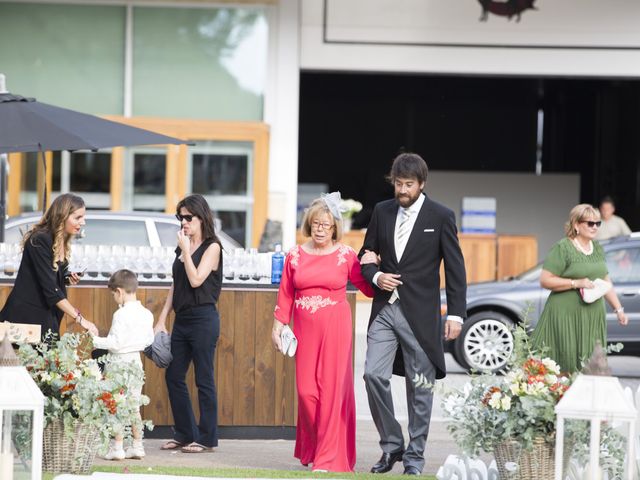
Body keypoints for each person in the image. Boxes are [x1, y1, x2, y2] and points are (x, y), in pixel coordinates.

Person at [358, 153, 467, 476]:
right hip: (385, 310)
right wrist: (376, 276)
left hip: (421, 315)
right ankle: (392, 445)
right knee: (373, 375)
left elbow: (456, 269)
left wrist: (456, 315)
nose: (402, 190)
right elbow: (367, 255)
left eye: (408, 184)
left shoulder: (442, 215)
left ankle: (415, 458)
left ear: (422, 184)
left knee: (420, 388)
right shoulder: (382, 211)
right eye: (398, 184)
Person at [271, 192, 375, 473]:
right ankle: (316, 447)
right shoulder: (295, 255)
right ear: (309, 224)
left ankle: (328, 457)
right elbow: (285, 294)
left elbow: (367, 288)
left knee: (330, 391)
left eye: (326, 225)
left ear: (335, 228)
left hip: (336, 330)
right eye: (316, 223)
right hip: (304, 331)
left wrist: (374, 267)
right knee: (306, 393)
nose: (320, 229)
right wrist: (278, 325)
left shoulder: (345, 255)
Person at [154, 194, 222, 453]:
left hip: (203, 318)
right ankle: (185, 433)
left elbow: (196, 280)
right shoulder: (184, 246)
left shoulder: (212, 247)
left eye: (188, 217)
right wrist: (162, 320)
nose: (183, 222)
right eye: (180, 217)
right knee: (173, 375)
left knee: (204, 378)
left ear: (201, 218)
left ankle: (206, 438)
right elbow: (177, 283)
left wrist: (185, 249)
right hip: (182, 319)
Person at [532, 204, 628, 372]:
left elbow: (605, 280)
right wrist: (576, 283)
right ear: (576, 225)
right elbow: (545, 280)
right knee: (563, 364)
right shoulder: (563, 248)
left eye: (598, 223)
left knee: (591, 364)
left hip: (592, 315)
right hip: (565, 314)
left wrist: (618, 309)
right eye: (590, 223)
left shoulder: (597, 248)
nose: (595, 227)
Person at [0, 193, 98, 338]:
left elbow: (49, 277)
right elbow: (50, 289)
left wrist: (66, 278)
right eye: (78, 217)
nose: (83, 222)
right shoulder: (40, 240)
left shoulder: (59, 241)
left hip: (45, 319)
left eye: (83, 217)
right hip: (24, 321)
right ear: (62, 216)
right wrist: (81, 319)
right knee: (18, 361)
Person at [88, 269, 154, 460]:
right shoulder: (147, 314)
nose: (114, 298)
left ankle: (117, 448)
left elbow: (114, 343)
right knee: (134, 406)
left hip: (118, 363)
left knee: (116, 405)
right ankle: (137, 446)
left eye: (113, 295)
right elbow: (149, 340)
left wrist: (95, 340)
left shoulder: (121, 315)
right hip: (136, 362)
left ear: (119, 291)